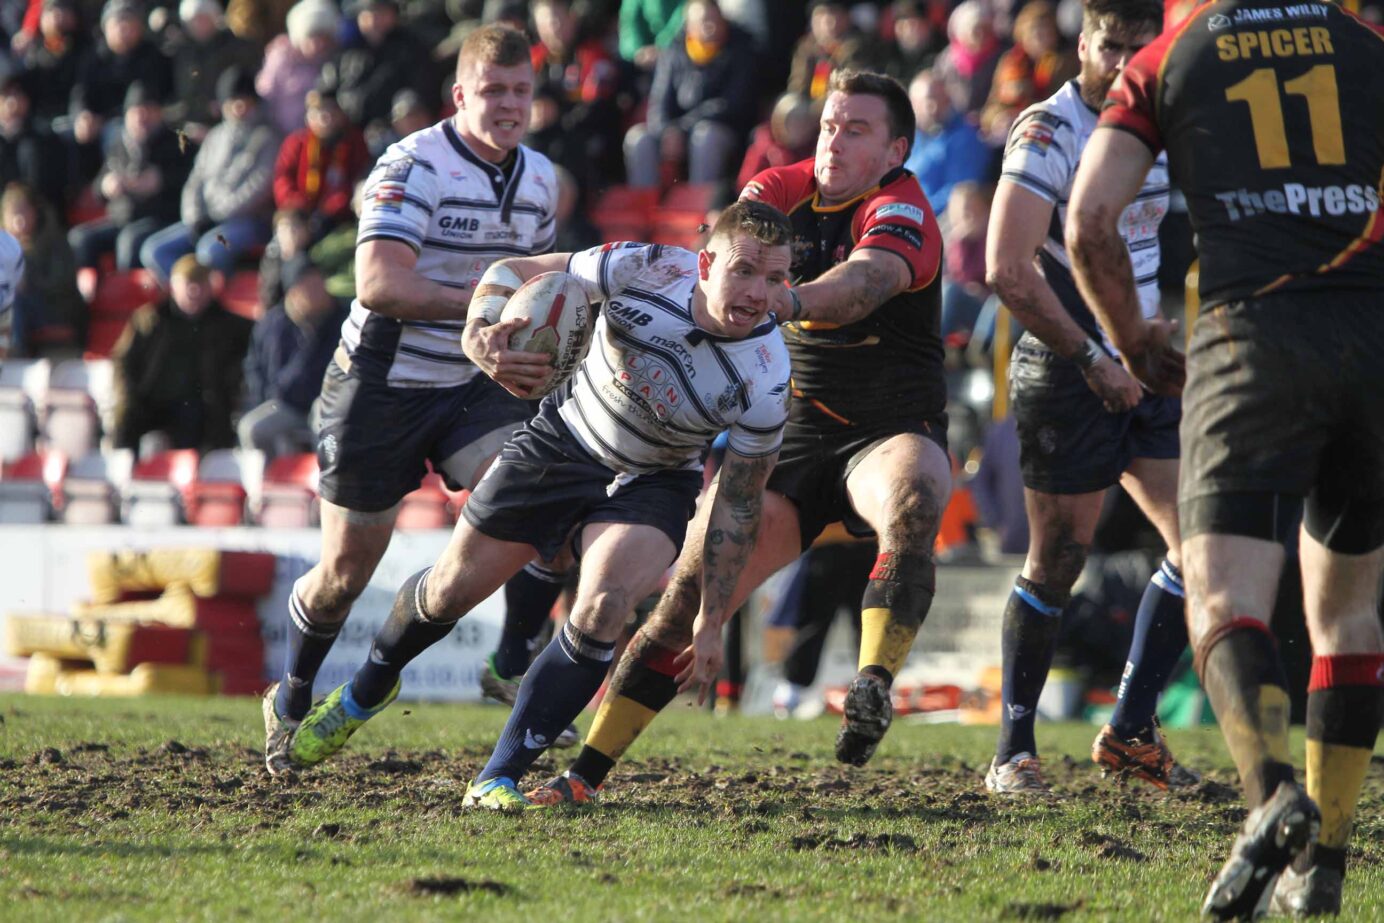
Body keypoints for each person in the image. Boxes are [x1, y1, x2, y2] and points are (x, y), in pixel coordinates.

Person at [286, 200, 794, 812]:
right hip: (564, 439)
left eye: (775, 279)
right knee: (449, 590)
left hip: (656, 479)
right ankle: (364, 691)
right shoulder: (647, 266)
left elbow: (737, 505)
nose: (758, 293)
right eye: (744, 271)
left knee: (604, 604)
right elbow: (518, 266)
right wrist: (481, 332)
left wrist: (710, 618)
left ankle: (497, 775)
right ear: (706, 261)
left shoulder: (767, 376)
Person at [532, 68, 949, 806]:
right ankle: (582, 775)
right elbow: (723, 257)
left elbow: (864, 286)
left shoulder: (902, 207)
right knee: (685, 600)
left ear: (896, 150)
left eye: (857, 130)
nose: (834, 139)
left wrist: (780, 299)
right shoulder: (778, 190)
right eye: (829, 124)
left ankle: (872, 683)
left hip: (888, 427)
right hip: (786, 433)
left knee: (915, 494)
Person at [1066, 2, 1384, 917]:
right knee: (1350, 616)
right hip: (1371, 341)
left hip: (1253, 338)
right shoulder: (1366, 40)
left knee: (1218, 596)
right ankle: (1321, 862)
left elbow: (1090, 221)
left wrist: (1132, 341)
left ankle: (1272, 794)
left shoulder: (1173, 52)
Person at [257, 23, 563, 777]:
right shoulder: (412, 162)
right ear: (460, 95)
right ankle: (292, 697)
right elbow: (378, 284)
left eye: (522, 90)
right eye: (494, 90)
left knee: (547, 502)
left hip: (471, 383)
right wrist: (483, 311)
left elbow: (539, 282)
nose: (510, 104)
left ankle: (511, 659)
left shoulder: (543, 180)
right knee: (345, 573)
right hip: (382, 386)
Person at [981, 0, 1191, 796]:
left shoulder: (1163, 120)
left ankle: (1131, 729)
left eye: (1144, 48)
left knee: (1200, 545)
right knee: (1059, 558)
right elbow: (1006, 267)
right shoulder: (1050, 127)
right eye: (1113, 45)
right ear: (1083, 43)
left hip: (1144, 354)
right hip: (1069, 363)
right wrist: (1092, 354)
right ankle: (1012, 749)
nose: (1127, 61)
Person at [139, 67, 280, 284]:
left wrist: (219, 215)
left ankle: (213, 305)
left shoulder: (266, 139)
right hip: (205, 219)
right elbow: (195, 181)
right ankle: (185, 300)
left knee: (210, 250)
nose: (238, 107)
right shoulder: (215, 136)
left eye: (244, 100)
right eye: (232, 101)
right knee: (154, 250)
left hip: (247, 221)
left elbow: (259, 187)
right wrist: (194, 216)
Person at [111, 254, 253, 453]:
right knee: (125, 420)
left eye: (201, 285)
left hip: (202, 406)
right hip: (151, 401)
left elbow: (256, 350)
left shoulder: (229, 325)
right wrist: (127, 397)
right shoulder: (149, 321)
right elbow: (123, 362)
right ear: (173, 286)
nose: (194, 291)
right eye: (188, 284)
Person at [68, 82, 190, 278]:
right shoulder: (120, 144)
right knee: (80, 238)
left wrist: (162, 181)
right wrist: (107, 185)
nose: (141, 118)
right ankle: (88, 294)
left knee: (129, 239)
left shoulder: (175, 143)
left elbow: (189, 181)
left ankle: (127, 297)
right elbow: (99, 187)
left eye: (147, 111)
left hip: (160, 218)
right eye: (136, 112)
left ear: (159, 113)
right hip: (121, 217)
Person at [238, 258, 347, 459]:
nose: (315, 289)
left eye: (318, 282)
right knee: (251, 427)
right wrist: (265, 396)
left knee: (322, 415)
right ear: (292, 290)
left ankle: (326, 479)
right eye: (306, 284)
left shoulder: (342, 318)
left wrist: (314, 332)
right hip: (285, 403)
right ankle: (270, 483)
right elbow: (255, 367)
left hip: (329, 401)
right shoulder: (274, 323)